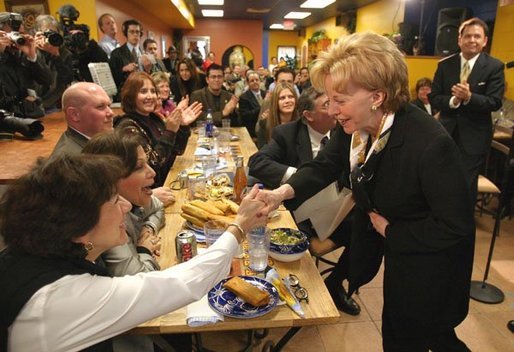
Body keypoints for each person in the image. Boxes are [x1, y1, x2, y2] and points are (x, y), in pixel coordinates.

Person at [256, 32, 475, 351]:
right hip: (400, 254)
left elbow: (455, 225)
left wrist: (392, 231)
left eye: (339, 100)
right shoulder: (354, 127)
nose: (331, 110)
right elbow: (324, 166)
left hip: (432, 263)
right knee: (399, 332)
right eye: (329, 99)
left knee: (430, 334)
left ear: (377, 96)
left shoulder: (430, 144)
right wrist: (281, 193)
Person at [0, 153, 267, 351]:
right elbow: (184, 283)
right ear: (78, 225)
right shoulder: (60, 299)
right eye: (114, 201)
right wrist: (239, 226)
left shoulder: (28, 257)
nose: (126, 207)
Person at [248, 87, 360, 316]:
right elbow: (257, 162)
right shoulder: (287, 133)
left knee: (365, 230)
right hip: (301, 210)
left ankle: (335, 283)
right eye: (327, 105)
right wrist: (299, 176)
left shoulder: (346, 131)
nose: (336, 110)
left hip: (337, 208)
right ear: (308, 115)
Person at [83, 132, 195, 352]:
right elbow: (141, 280)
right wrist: (143, 249)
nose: (153, 173)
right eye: (140, 167)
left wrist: (148, 228)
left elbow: (157, 207)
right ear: (109, 178)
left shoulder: (121, 202)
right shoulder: (104, 223)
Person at [429, 17, 505, 204]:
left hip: (474, 138)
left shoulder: (494, 67)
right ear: (459, 39)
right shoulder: (445, 65)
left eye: (477, 36)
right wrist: (454, 100)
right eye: (468, 36)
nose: (472, 40)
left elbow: (494, 102)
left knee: (464, 185)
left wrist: (470, 97)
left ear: (485, 41)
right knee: (439, 181)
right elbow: (435, 97)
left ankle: (461, 229)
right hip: (444, 134)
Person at [114, 71, 201, 188]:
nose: (150, 96)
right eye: (143, 91)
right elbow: (152, 165)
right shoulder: (128, 127)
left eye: (153, 91)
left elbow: (177, 151)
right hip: (152, 192)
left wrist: (182, 126)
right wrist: (170, 132)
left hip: (169, 181)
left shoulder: (154, 119)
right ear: (131, 95)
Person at [0, 12, 52, 118]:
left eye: (19, 34)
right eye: (12, 34)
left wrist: (32, 56)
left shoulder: (25, 51)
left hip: (32, 114)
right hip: (5, 118)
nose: (16, 38)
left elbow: (47, 81)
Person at [50, 82, 114, 157]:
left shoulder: (98, 142)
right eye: (100, 107)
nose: (111, 113)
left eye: (109, 105)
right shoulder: (69, 161)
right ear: (74, 114)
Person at [33, 14, 74, 111]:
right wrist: (33, 51)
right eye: (46, 33)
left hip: (52, 104)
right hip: (32, 103)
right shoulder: (31, 50)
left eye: (53, 33)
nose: (50, 37)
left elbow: (68, 79)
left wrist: (56, 56)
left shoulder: (64, 53)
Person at [256, 82, 298, 148]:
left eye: (291, 97)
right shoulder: (265, 123)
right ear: (275, 102)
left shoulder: (303, 124)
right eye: (282, 98)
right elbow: (262, 152)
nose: (287, 101)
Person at [109, 19, 143, 92]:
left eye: (137, 32)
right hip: (125, 92)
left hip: (143, 90)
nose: (135, 34)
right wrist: (123, 69)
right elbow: (111, 77)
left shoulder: (144, 53)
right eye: (132, 32)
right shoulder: (116, 53)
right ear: (126, 34)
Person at [238, 70, 266, 140]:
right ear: (247, 83)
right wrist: (262, 107)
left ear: (260, 81)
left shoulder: (265, 94)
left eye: (257, 80)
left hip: (266, 129)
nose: (255, 82)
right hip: (252, 132)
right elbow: (245, 116)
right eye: (252, 80)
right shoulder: (244, 97)